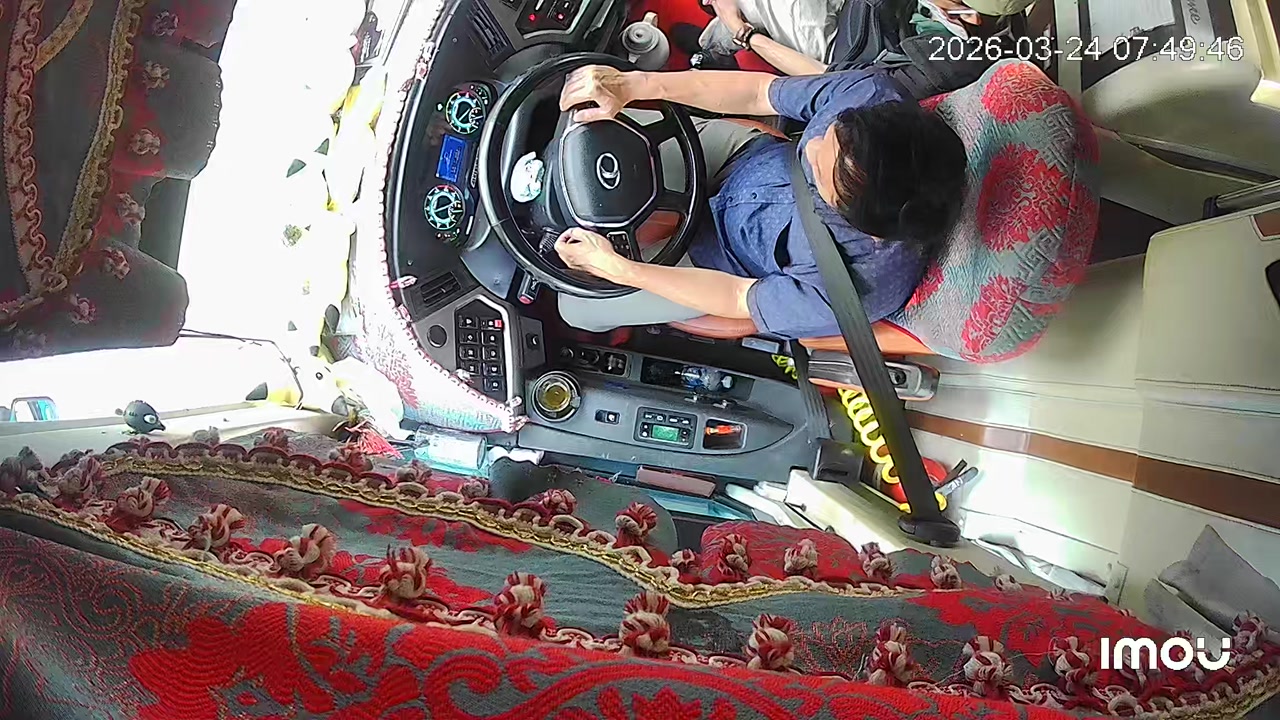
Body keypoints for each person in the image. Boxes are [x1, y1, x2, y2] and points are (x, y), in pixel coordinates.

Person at [554, 65, 967, 340]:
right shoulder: (870, 95)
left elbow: (739, 299)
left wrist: (621, 269)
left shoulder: (861, 287)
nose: (809, 149)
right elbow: (759, 93)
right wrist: (638, 84)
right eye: (827, 136)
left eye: (821, 175)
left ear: (869, 233)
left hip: (721, 263)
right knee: (585, 126)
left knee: (575, 305)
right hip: (738, 158)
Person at [702, 0, 1036, 99]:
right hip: (862, 11)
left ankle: (714, 43)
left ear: (969, 15)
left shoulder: (941, 65)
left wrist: (743, 33)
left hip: (840, 52)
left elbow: (833, 81)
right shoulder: (972, 11)